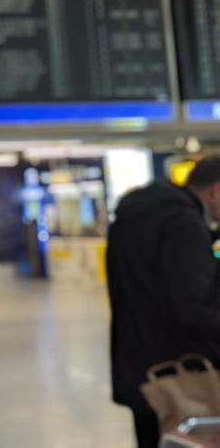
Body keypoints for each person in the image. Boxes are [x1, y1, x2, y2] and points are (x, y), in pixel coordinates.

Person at [107, 156, 220, 448]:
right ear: (216, 191)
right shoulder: (183, 224)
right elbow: (194, 309)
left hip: (141, 369)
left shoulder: (138, 215)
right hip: (181, 377)